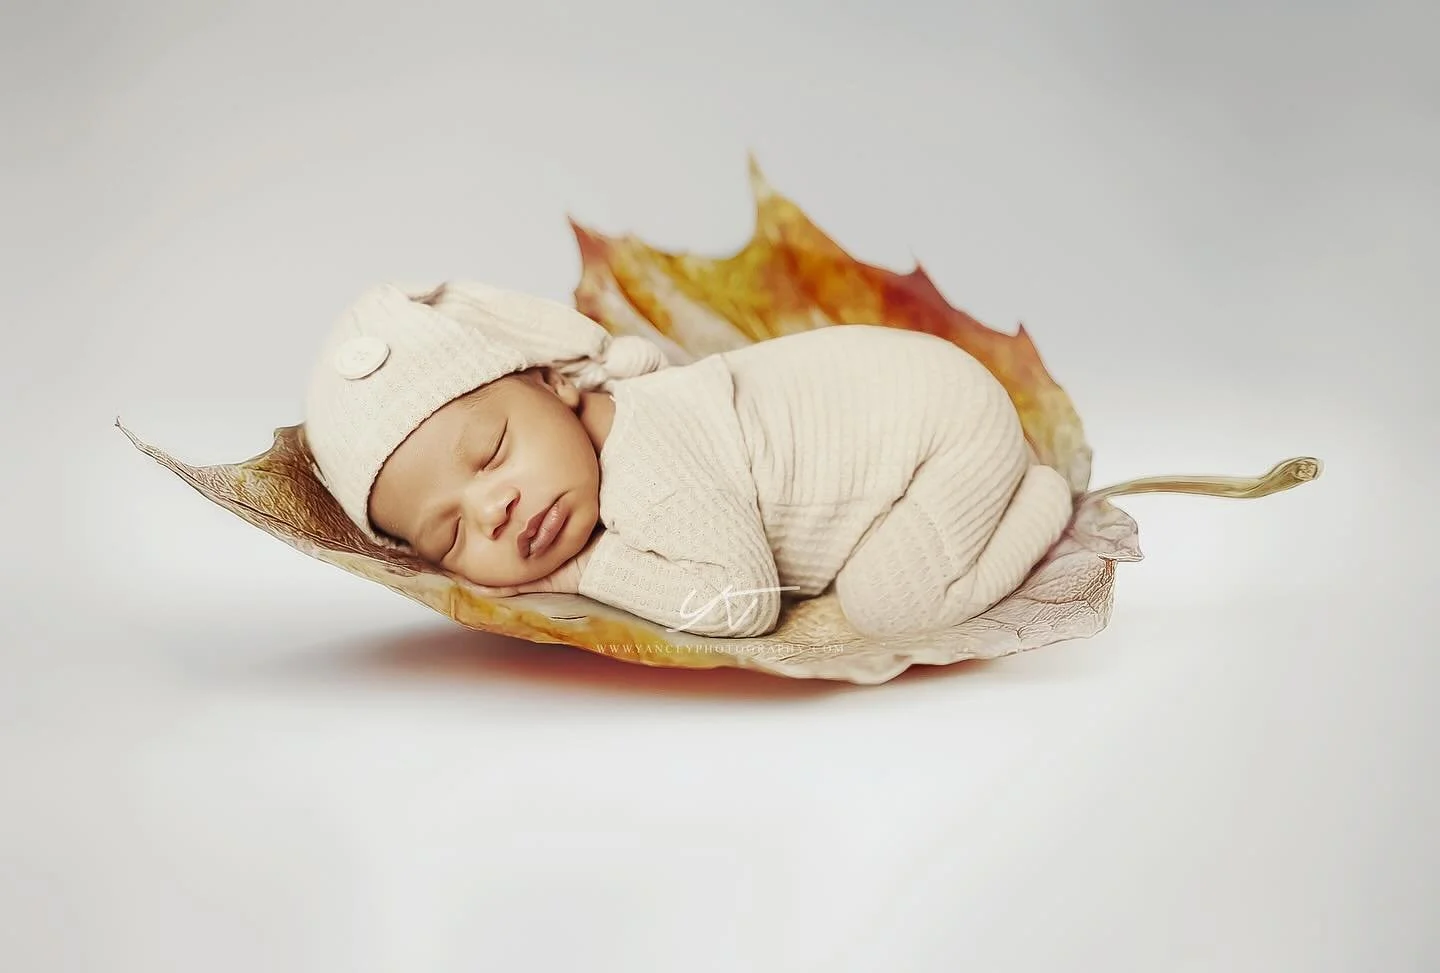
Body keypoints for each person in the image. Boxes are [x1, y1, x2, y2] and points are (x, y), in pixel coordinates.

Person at [302, 279, 1074, 640]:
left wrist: (580, 573)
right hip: (909, 400)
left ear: (557, 381)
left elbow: (743, 604)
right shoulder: (607, 444)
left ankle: (1041, 498)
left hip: (945, 433)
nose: (493, 509)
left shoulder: (648, 459)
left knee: (888, 605)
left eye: (491, 451)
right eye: (450, 537)